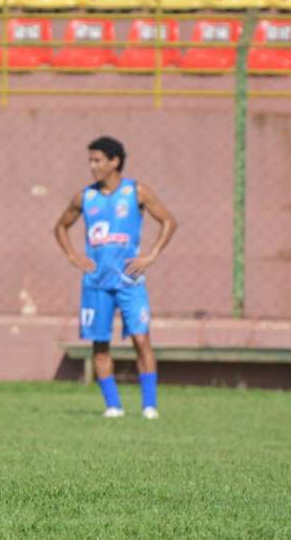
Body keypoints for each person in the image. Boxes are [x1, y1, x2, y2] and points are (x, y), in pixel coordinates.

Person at [53, 136, 177, 419]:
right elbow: (61, 226)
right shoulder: (86, 197)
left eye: (97, 161)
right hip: (96, 283)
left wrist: (151, 255)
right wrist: (73, 255)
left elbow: (169, 221)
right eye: (90, 161)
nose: (92, 166)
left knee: (141, 339)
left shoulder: (136, 192)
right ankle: (113, 406)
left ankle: (149, 406)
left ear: (114, 162)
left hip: (130, 281)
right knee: (100, 344)